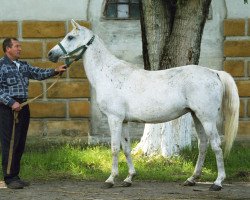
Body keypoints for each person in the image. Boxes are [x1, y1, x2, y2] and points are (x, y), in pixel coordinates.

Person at [0, 37, 66, 189]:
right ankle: (9, 178)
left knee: (20, 143)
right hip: (8, 108)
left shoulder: (23, 65)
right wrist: (11, 102)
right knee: (10, 143)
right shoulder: (1, 65)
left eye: (20, 46)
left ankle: (15, 175)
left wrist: (55, 71)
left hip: (23, 107)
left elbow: (37, 73)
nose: (20, 49)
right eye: (17, 46)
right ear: (7, 49)